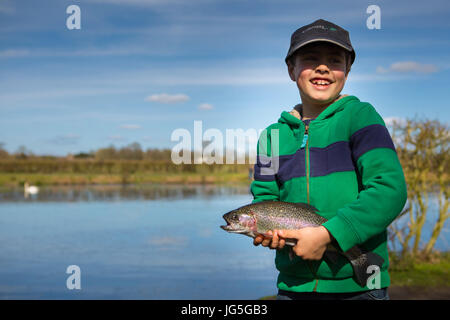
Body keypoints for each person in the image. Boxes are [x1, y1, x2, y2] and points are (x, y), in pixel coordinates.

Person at [250, 19, 407, 300]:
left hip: (359, 288)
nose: (322, 67)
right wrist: (267, 232)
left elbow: (388, 190)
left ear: (347, 70)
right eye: (311, 59)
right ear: (291, 69)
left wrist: (327, 235)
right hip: (292, 286)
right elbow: (264, 199)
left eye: (334, 60)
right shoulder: (270, 138)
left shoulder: (361, 118)